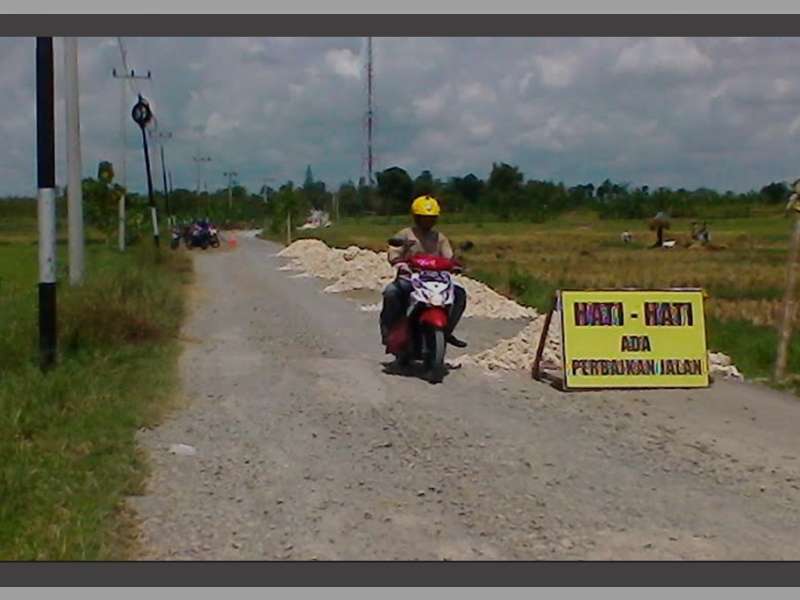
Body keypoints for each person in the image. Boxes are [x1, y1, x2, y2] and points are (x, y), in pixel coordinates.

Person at [380, 195, 468, 349]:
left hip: (436, 280)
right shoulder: (406, 235)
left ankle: (446, 331)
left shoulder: (439, 238)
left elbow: (448, 256)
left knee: (459, 294)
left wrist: (455, 264)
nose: (428, 221)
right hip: (410, 279)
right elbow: (394, 252)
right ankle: (389, 332)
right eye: (424, 218)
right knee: (391, 293)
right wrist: (399, 263)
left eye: (432, 218)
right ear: (416, 217)